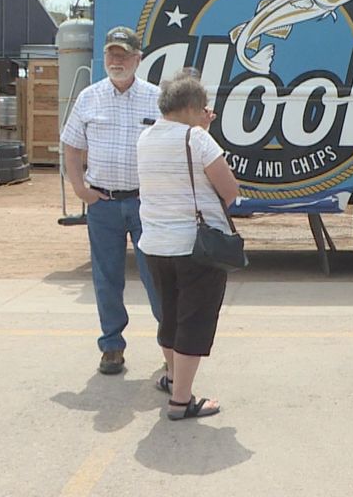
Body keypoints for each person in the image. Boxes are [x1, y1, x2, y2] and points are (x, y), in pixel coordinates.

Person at [137, 68, 240, 420]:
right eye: (204, 109)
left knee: (169, 315)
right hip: (194, 248)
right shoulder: (197, 139)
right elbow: (229, 190)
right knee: (193, 321)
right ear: (194, 108)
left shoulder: (146, 138)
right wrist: (203, 133)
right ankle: (181, 401)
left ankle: (171, 378)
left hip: (154, 243)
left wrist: (199, 129)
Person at [61, 26, 163, 375]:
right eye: (110, 54)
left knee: (159, 277)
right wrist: (79, 188)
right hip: (102, 203)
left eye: (123, 54)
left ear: (138, 58)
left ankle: (172, 348)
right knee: (106, 279)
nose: (116, 60)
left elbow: (179, 142)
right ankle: (112, 347)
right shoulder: (89, 97)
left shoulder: (157, 98)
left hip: (144, 204)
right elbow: (71, 147)